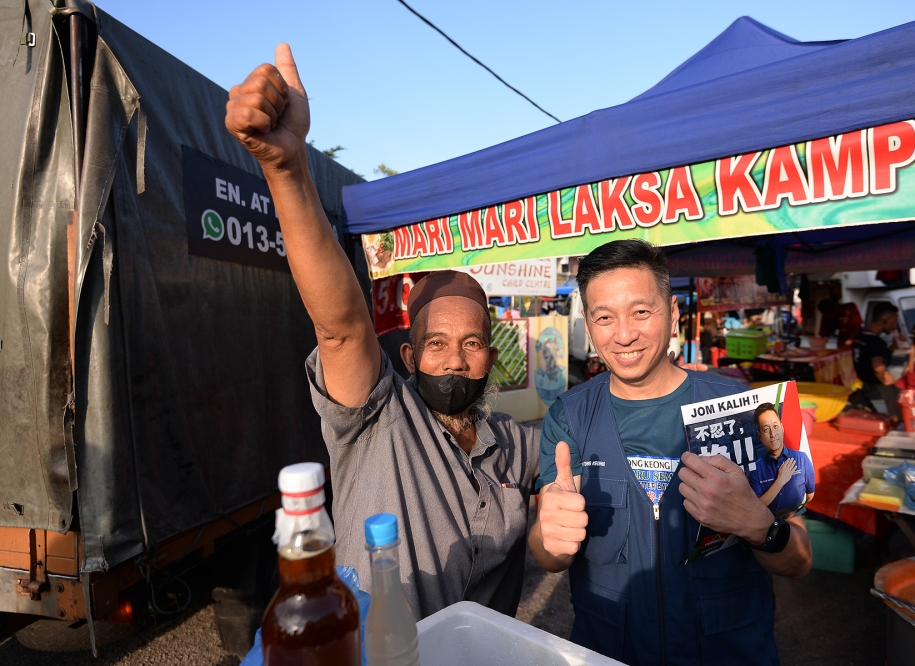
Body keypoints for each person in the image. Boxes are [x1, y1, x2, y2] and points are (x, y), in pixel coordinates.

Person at [225, 45, 540, 620]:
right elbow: (342, 330)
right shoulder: (378, 420)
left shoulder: (514, 445)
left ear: (491, 357)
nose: (453, 361)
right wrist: (285, 168)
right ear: (411, 353)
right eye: (437, 344)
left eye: (471, 344)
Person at [528, 240, 812, 665]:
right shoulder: (568, 418)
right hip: (610, 647)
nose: (624, 335)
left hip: (728, 651)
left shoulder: (748, 410)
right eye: (605, 317)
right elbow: (549, 554)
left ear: (674, 313)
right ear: (588, 326)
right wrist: (549, 538)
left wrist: (759, 525)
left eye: (642, 312)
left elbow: (800, 561)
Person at [748, 403, 816, 517]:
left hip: (795, 519)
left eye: (775, 427)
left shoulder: (801, 458)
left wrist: (794, 515)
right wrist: (780, 481)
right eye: (766, 429)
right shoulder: (756, 469)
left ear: (782, 428)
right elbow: (756, 506)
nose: (772, 434)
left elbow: (810, 495)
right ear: (760, 436)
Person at [851, 302, 902, 418]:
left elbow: (869, 356)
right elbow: (877, 366)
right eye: (893, 321)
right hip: (878, 392)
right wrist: (884, 378)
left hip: (864, 389)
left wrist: (893, 346)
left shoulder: (860, 337)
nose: (894, 326)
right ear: (886, 319)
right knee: (889, 419)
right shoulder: (877, 343)